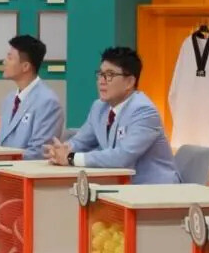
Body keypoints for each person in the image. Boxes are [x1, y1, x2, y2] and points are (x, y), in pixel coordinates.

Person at [44, 47, 181, 184]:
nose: (101, 81)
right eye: (100, 74)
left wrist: (71, 158)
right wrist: (62, 150)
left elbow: (122, 156)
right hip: (120, 185)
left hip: (155, 188)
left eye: (110, 75)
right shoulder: (99, 107)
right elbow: (81, 141)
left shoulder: (144, 111)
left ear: (129, 82)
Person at [0, 35, 63, 160]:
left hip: (25, 169)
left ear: (25, 66)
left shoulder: (48, 102)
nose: (4, 62)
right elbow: (0, 143)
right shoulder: (9, 100)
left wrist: (1, 159)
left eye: (10, 58)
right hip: (2, 168)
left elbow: (39, 152)